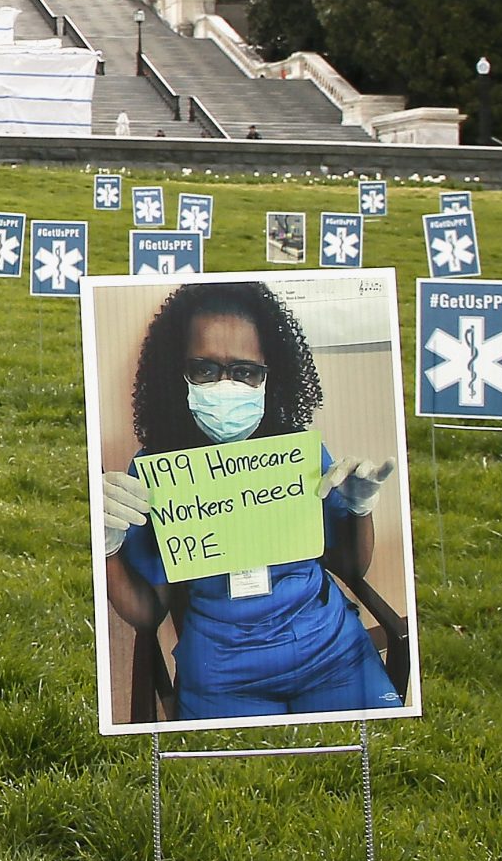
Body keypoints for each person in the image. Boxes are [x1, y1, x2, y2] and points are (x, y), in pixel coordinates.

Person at [97, 280, 404, 722]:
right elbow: (148, 614)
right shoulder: (159, 471)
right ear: (175, 372)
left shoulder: (298, 453)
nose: (226, 386)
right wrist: (105, 547)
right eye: (204, 369)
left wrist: (360, 510)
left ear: (268, 375)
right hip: (221, 668)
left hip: (331, 649)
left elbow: (353, 567)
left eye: (245, 371)